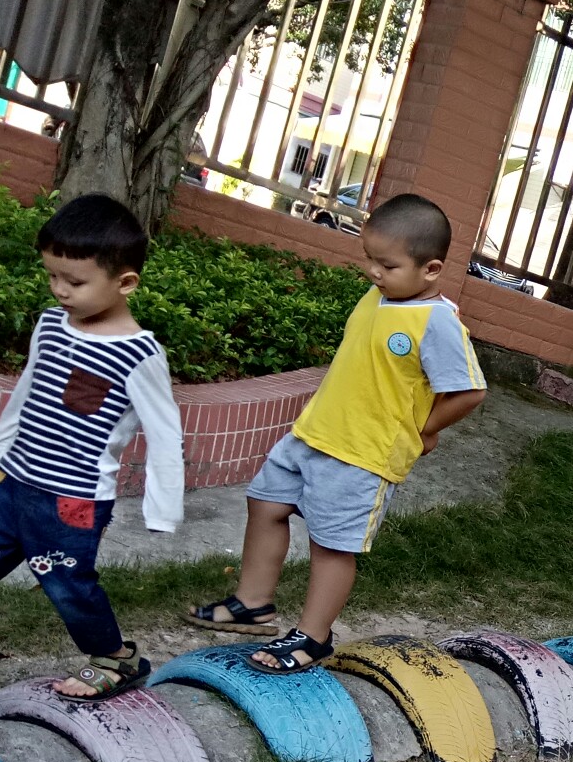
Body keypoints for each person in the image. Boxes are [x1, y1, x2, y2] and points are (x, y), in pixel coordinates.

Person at [187, 194, 486, 671]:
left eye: (388, 265)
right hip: (312, 434)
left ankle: (313, 638)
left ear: (431, 270)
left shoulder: (438, 323)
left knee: (331, 545)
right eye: (370, 259)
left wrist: (422, 429)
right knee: (264, 504)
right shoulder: (379, 297)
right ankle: (253, 603)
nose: (374, 271)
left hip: (363, 456)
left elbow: (469, 391)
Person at [0, 195, 183, 700]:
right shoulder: (49, 324)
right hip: (11, 486)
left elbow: (165, 433)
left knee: (68, 586)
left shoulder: (139, 354)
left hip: (71, 502)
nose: (60, 290)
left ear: (125, 282)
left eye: (75, 282)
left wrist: (163, 510)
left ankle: (115, 658)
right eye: (52, 276)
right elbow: (26, 393)